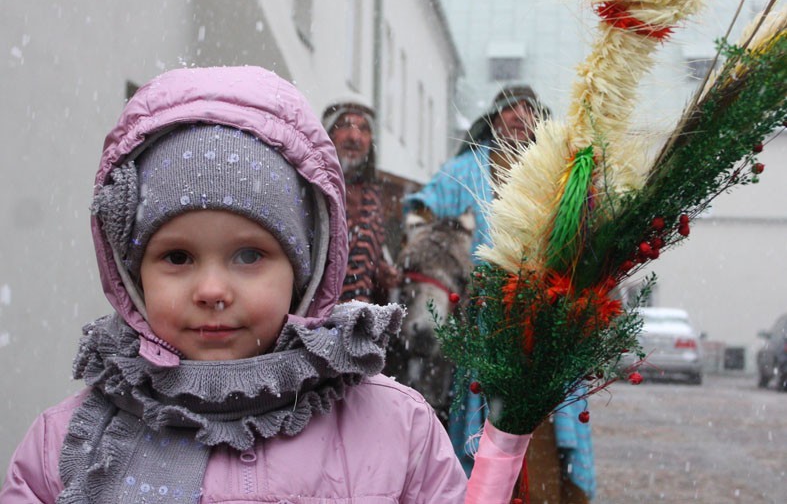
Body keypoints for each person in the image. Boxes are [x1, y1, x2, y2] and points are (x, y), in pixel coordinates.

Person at [0, 66, 530, 503]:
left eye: (249, 255)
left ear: (307, 267)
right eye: (177, 256)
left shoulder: (396, 429)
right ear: (130, 273)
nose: (212, 289)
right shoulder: (68, 449)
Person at [403, 84, 595, 502]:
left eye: (528, 110)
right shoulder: (464, 170)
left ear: (538, 121)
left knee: (548, 418)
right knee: (480, 419)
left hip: (544, 317)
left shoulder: (555, 173)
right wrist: (433, 241)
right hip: (483, 317)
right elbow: (421, 208)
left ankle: (547, 490)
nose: (518, 116)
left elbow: (582, 227)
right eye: (509, 109)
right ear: (494, 120)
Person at [322, 99, 399, 304]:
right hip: (313, 322)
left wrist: (382, 272)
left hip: (360, 321)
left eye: (363, 129)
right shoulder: (311, 188)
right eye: (345, 125)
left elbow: (367, 258)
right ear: (328, 133)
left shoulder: (373, 196)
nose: (354, 137)